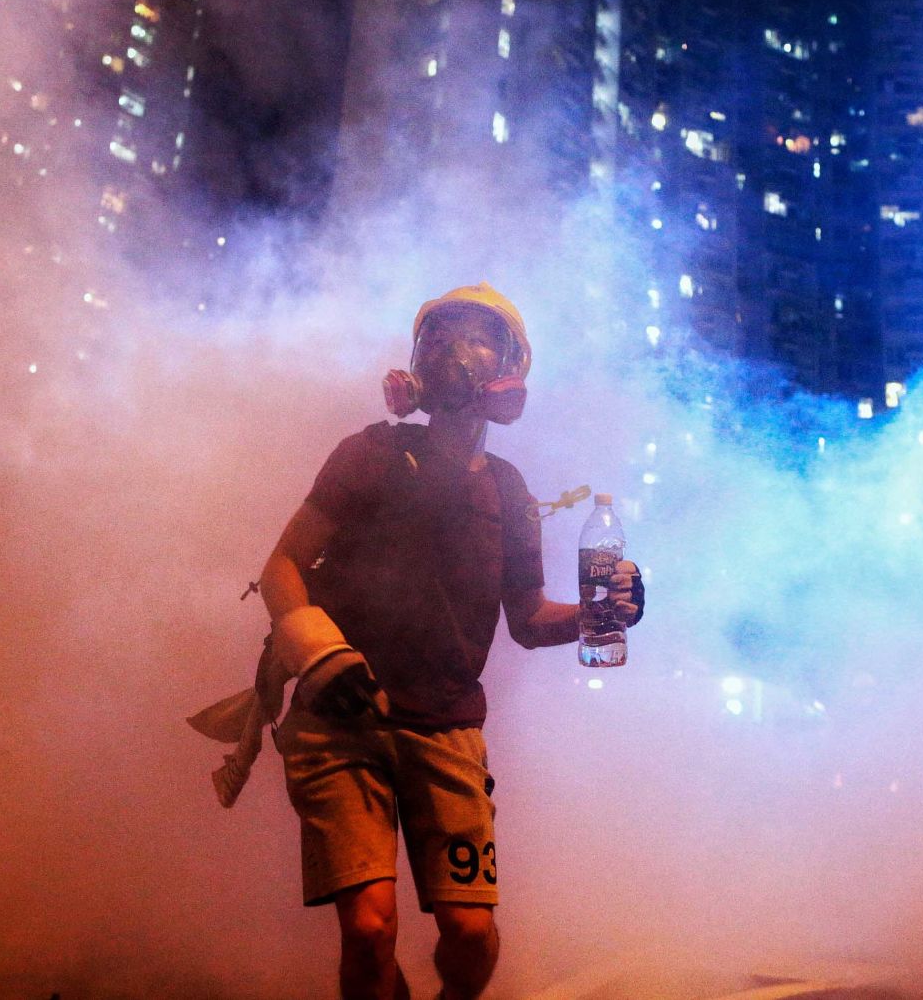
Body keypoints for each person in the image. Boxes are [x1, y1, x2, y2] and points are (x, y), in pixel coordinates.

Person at [196, 284, 644, 1000]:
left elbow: (528, 618)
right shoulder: (369, 454)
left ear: (509, 365)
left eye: (475, 337)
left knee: (469, 936)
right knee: (370, 930)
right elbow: (282, 565)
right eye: (439, 337)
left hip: (446, 728)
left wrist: (601, 614)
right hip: (341, 721)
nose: (453, 352)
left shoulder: (508, 491)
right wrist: (314, 647)